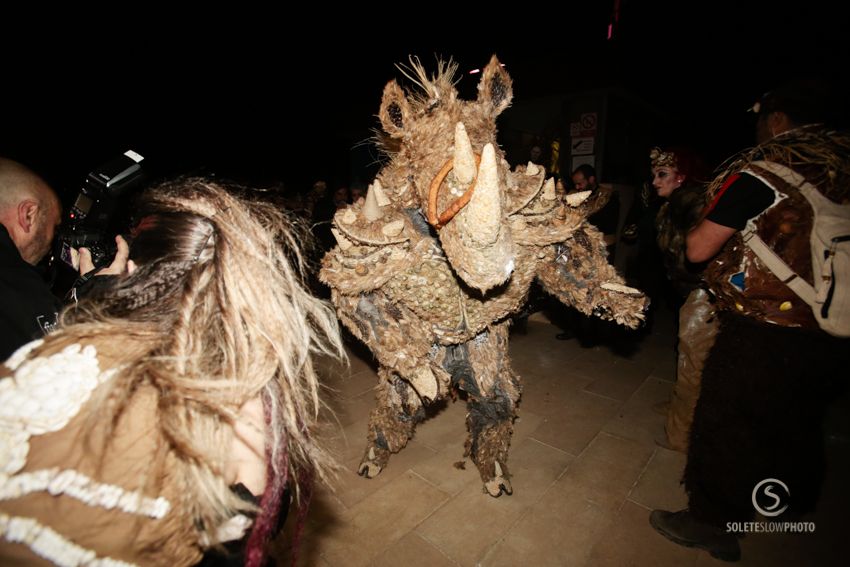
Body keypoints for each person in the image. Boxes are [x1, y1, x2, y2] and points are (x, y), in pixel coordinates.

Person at [0, 178, 345, 566]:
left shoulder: (39, 363)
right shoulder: (243, 412)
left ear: (133, 271)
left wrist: (93, 301)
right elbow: (248, 530)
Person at [650, 82, 850, 562]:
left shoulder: (765, 173)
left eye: (760, 118)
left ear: (778, 121)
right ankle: (791, 506)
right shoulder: (838, 173)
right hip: (828, 328)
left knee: (726, 421)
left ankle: (711, 521)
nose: (757, 127)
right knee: (797, 421)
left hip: (763, 326)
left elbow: (699, 247)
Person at [647, 146, 716, 453]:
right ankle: (680, 408)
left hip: (705, 292)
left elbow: (703, 249)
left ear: (682, 178)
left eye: (663, 175)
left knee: (693, 362)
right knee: (686, 353)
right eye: (654, 175)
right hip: (690, 290)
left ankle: (682, 433)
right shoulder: (674, 202)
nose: (655, 181)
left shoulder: (692, 200)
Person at [0, 157, 63, 360]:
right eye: (55, 227)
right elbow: (56, 367)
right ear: (28, 215)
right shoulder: (15, 280)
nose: (52, 241)